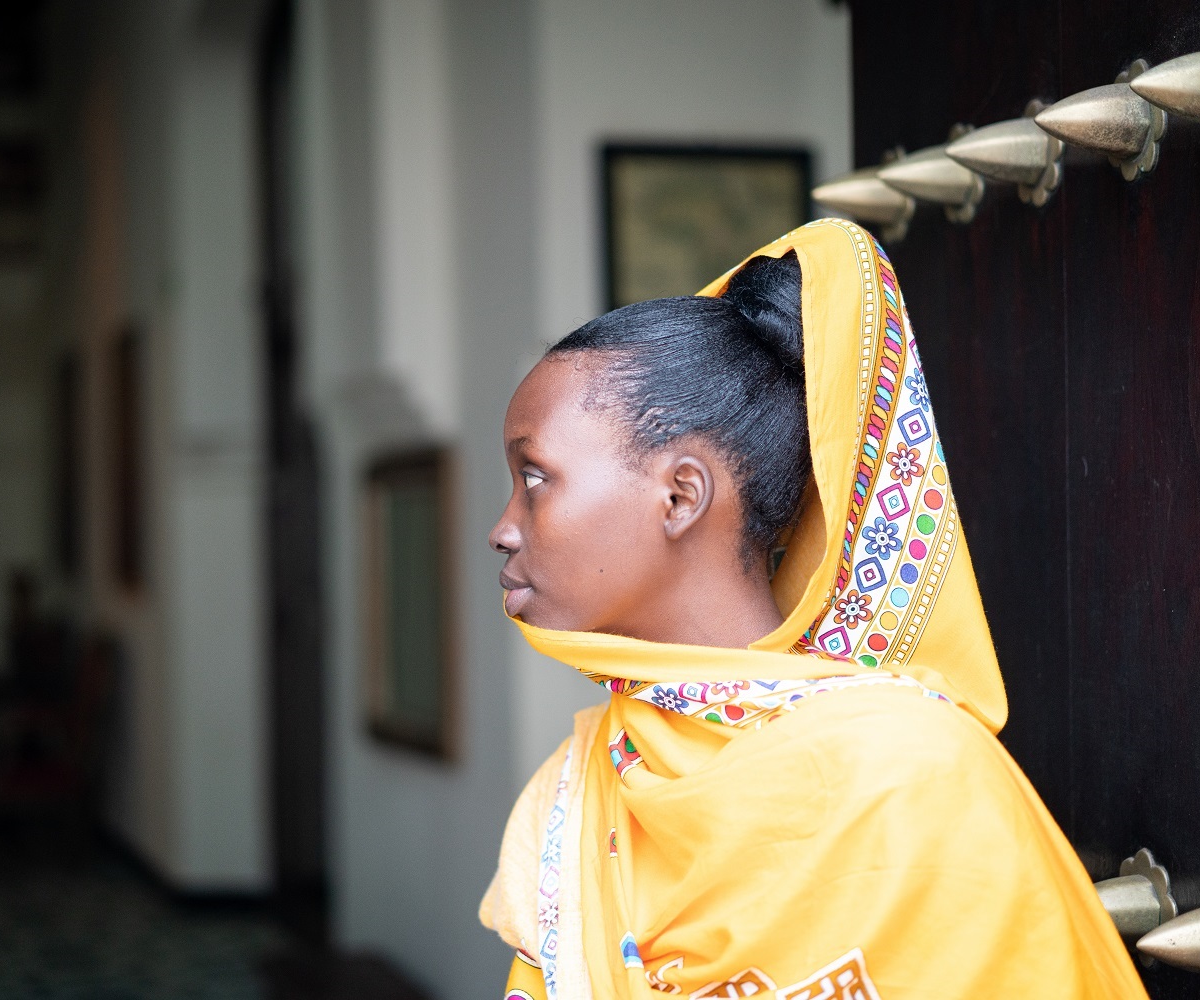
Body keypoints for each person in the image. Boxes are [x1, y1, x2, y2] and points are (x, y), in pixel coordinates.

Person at [480, 219, 1146, 999]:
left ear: (680, 495)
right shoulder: (580, 788)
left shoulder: (915, 777)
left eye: (534, 478)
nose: (501, 530)